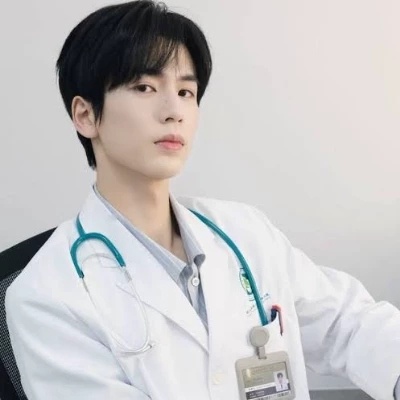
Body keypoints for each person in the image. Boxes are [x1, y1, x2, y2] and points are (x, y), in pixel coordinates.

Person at [5, 1, 400, 400]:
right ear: (86, 115)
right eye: (144, 88)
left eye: (185, 91)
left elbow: (348, 324)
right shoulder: (46, 296)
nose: (173, 111)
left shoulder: (244, 232)